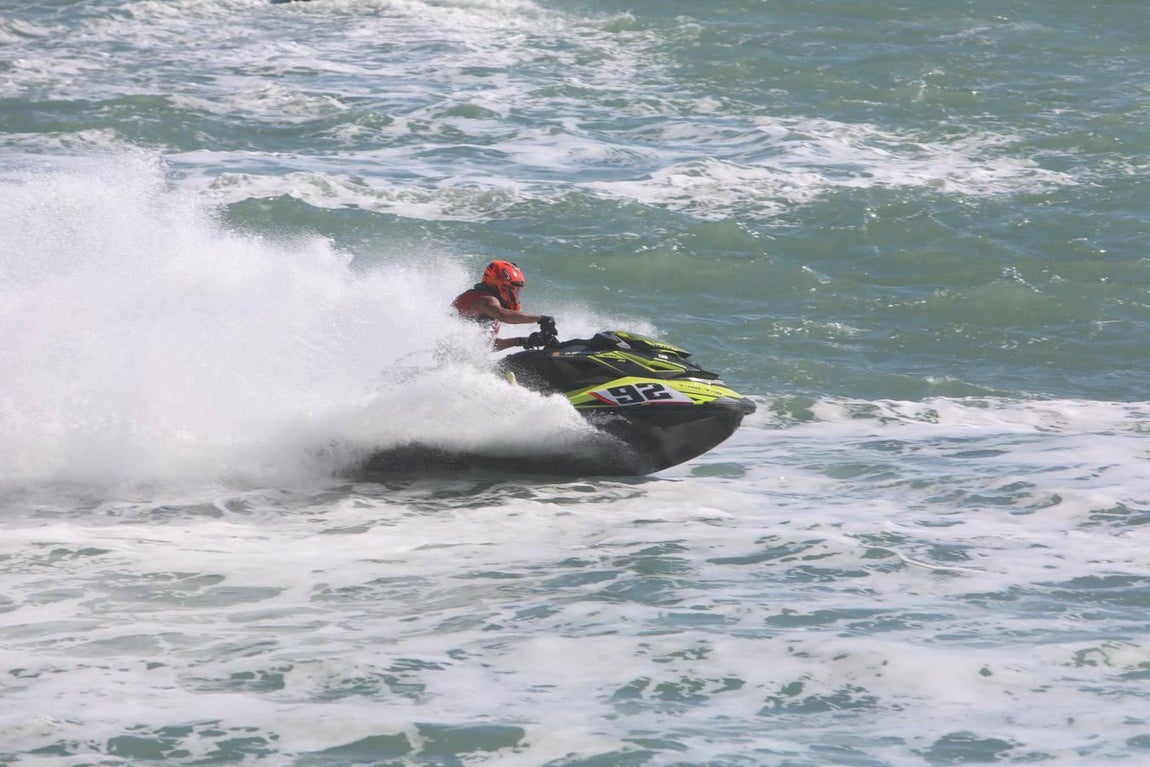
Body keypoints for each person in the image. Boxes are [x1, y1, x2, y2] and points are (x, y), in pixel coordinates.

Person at [452, 260, 554, 351]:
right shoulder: (486, 301)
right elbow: (504, 315)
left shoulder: (492, 309)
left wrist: (523, 341)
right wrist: (541, 319)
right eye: (513, 289)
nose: (515, 294)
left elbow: (486, 346)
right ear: (499, 285)